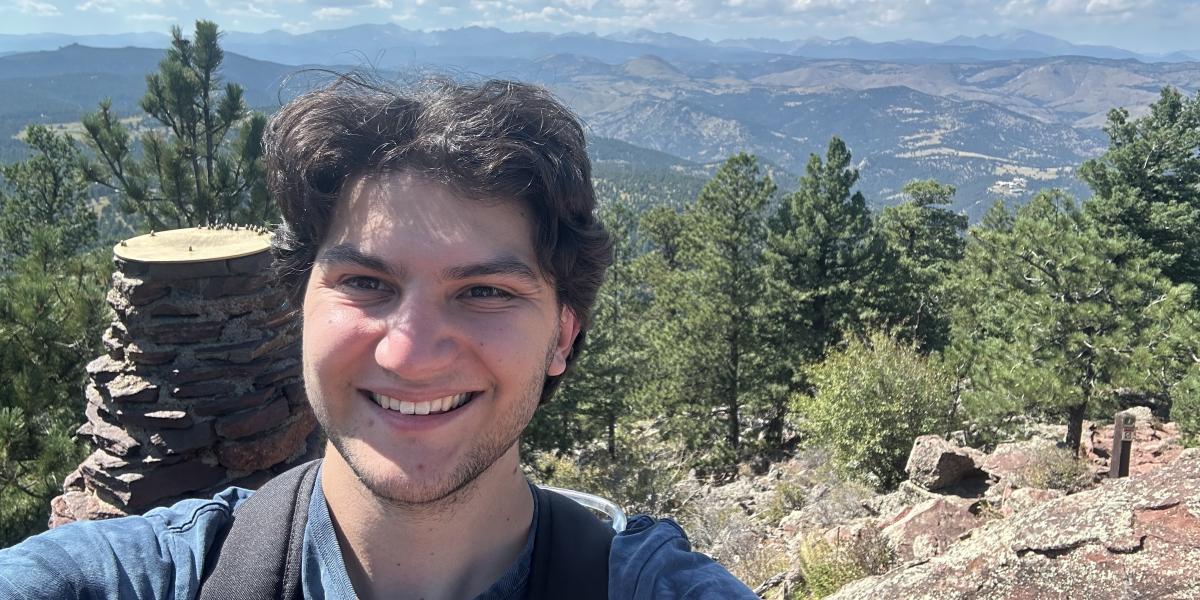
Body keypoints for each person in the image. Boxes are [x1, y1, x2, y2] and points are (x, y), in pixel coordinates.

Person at [0, 76, 758, 599]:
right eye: (365, 283)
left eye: (484, 292)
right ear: (299, 307)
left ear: (563, 337)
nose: (408, 353)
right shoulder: (159, 576)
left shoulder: (648, 586)